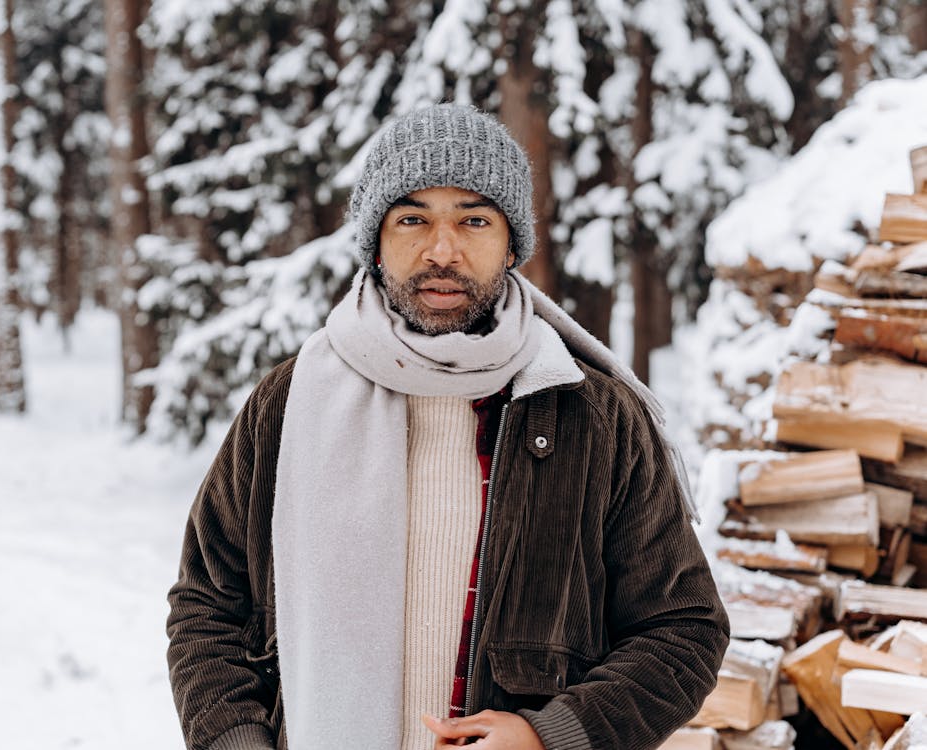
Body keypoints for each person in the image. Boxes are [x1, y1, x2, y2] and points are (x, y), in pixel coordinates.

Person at [166, 103, 729, 750]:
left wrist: (547, 736)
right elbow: (207, 608)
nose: (441, 250)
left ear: (512, 242)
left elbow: (682, 630)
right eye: (411, 219)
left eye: (473, 220)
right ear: (373, 241)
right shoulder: (289, 403)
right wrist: (237, 740)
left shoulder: (589, 416)